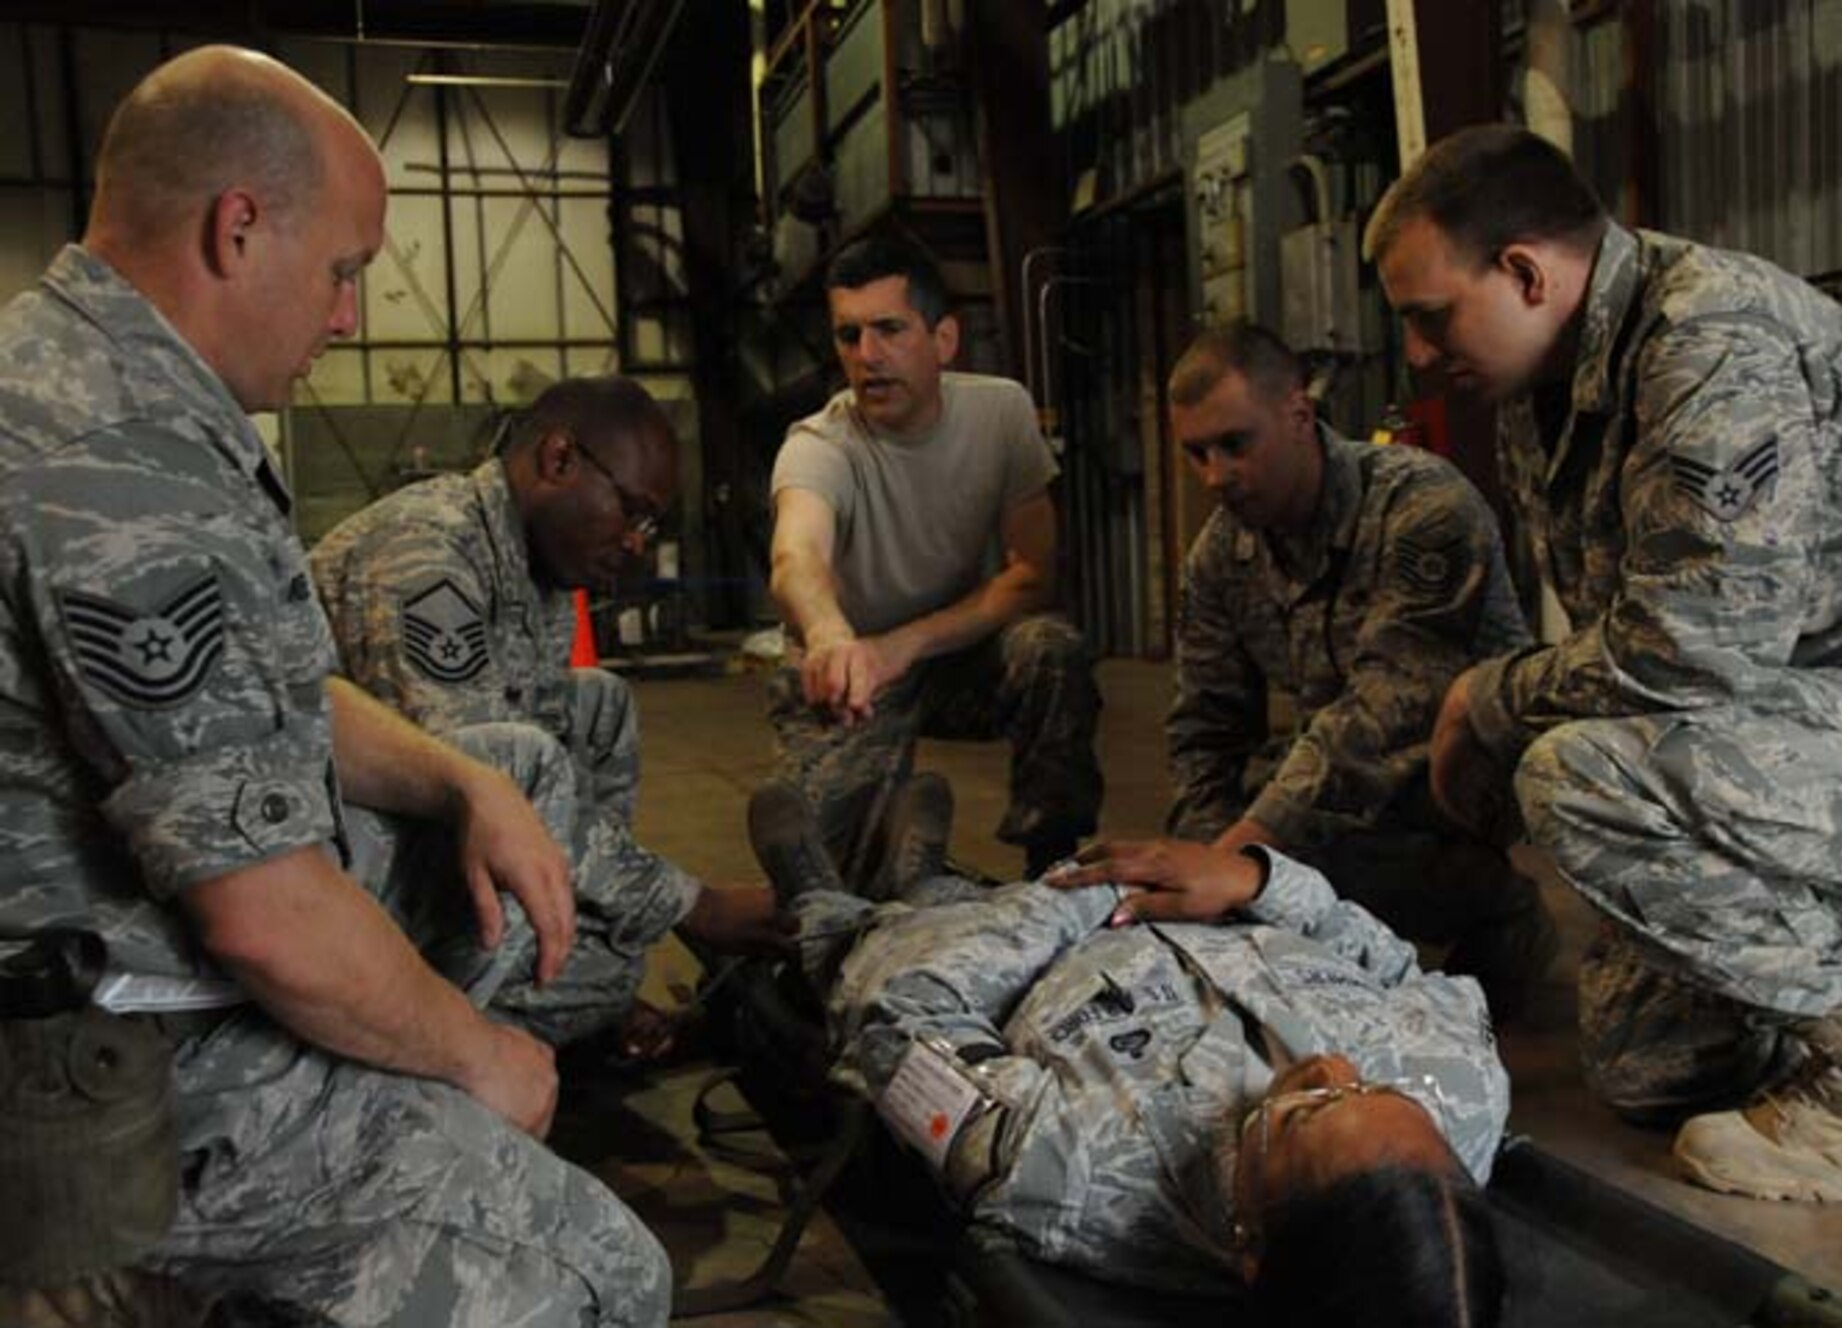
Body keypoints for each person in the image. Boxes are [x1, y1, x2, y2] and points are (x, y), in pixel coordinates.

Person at [0, 45, 672, 1321]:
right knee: (598, 1272)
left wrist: (462, 775)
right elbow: (265, 916)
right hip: (117, 1054)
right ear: (237, 229)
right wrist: (485, 1060)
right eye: (344, 272)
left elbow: (285, 687)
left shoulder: (82, 380)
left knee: (506, 774)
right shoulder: (119, 462)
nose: (350, 314)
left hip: (129, 977)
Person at [1368, 122, 1842, 1200]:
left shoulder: (1709, 338)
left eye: (1429, 318)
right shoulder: (1549, 388)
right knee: (1652, 1069)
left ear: (1524, 272)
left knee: (1573, 775)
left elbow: (1690, 653)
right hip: (1806, 736)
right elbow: (1621, 632)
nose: (1418, 355)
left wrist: (1485, 696)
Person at [781, 830, 1507, 1323]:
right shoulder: (1464, 1087)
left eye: (1302, 1112)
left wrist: (1092, 893)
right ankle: (917, 873)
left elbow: (897, 1022)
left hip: (1025, 935)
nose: (1331, 1067)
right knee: (931, 894)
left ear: (1249, 1242)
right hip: (1203, 894)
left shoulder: (1068, 1167)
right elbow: (1395, 966)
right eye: (1375, 1088)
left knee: (864, 943)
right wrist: (1256, 878)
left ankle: (821, 898)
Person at [311, 375, 791, 1063]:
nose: (636, 542)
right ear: (559, 460)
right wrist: (694, 905)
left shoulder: (543, 579)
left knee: (597, 705)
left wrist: (632, 910)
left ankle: (560, 946)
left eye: (650, 525)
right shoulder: (427, 553)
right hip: (327, 877)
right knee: (515, 764)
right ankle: (413, 1050)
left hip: (409, 852)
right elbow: (488, 783)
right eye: (631, 511)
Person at [1156, 321, 1551, 1019]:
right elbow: (1205, 726)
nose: (1215, 476)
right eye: (1197, 454)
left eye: (1235, 444)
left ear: (1299, 415)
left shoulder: (1421, 506)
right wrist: (1208, 859)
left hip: (1461, 779)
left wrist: (1244, 862)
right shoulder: (1221, 554)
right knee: (1244, 822)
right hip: (1344, 773)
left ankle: (1498, 907)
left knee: (1307, 840)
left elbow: (1386, 714)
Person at [764, 232, 1102, 881]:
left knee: (1049, 650)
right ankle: (892, 857)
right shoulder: (818, 445)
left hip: (952, 658)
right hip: (849, 674)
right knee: (830, 872)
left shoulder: (1001, 412)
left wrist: (907, 643)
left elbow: (1033, 574)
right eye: (848, 335)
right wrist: (833, 636)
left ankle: (1055, 867)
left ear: (943, 340)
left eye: (889, 329)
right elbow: (796, 556)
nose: (867, 356)